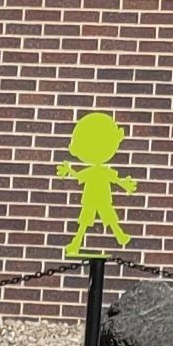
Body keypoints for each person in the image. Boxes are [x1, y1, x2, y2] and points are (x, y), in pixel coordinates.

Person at [56, 109, 137, 258]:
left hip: (99, 199)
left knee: (99, 219)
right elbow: (81, 176)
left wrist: (125, 184)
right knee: (89, 220)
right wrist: (69, 170)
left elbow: (115, 180)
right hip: (94, 199)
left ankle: (116, 236)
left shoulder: (100, 171)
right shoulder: (94, 171)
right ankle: (79, 242)